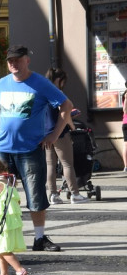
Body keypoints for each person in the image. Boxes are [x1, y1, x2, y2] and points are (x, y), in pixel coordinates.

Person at [0, 45, 71, 253]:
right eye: (10, 60)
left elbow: (66, 106)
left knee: (35, 193)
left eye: (17, 59)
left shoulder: (40, 83)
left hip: (30, 148)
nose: (13, 63)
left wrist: (55, 134)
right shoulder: (2, 83)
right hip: (2, 149)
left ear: (27, 60)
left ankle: (39, 238)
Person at [43, 68, 88, 204]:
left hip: (46, 133)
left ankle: (53, 195)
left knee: (50, 165)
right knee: (67, 164)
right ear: (59, 80)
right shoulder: (58, 93)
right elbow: (65, 114)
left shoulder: (43, 93)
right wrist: (72, 126)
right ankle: (75, 194)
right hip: (60, 133)